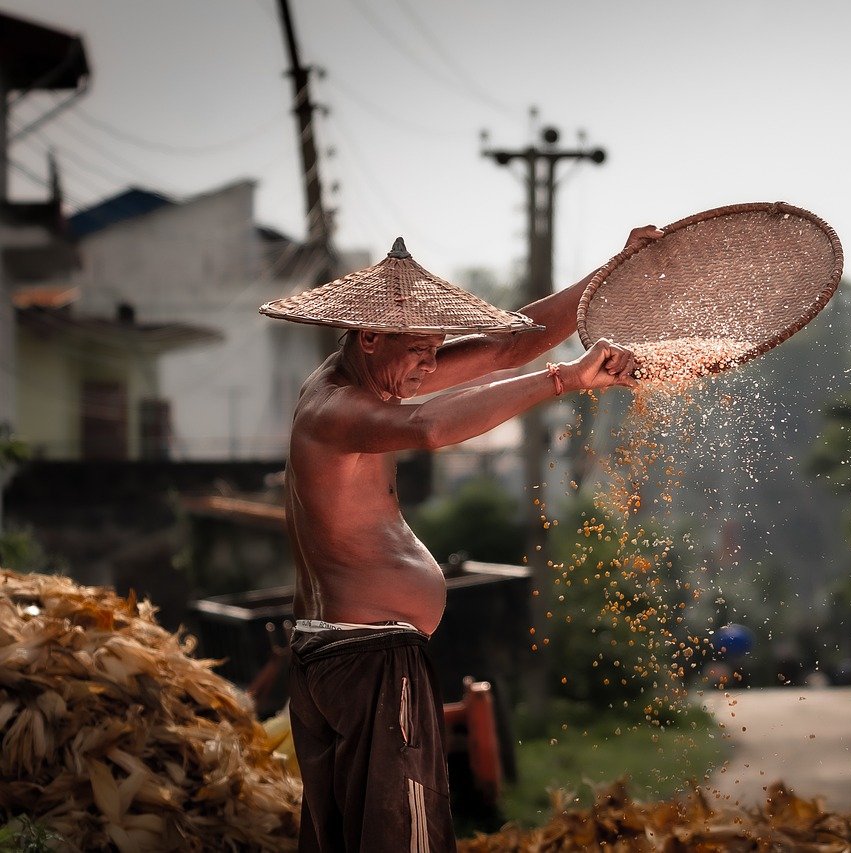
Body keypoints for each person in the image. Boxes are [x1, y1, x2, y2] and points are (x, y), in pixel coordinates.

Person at [260, 226, 659, 852]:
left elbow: (510, 344)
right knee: (400, 838)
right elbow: (429, 428)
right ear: (369, 336)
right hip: (365, 660)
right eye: (419, 349)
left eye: (436, 349)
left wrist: (617, 267)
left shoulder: (370, 377)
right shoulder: (334, 408)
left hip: (347, 655)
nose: (429, 364)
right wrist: (565, 381)